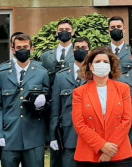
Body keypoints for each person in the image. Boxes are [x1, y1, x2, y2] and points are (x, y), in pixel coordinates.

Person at [0, 33, 51, 167]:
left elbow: (48, 102)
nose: (22, 50)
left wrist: (42, 105)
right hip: (9, 134)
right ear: (12, 50)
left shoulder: (41, 72)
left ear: (32, 49)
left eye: (25, 47)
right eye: (19, 47)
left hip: (34, 135)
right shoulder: (1, 73)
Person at [72, 47, 132, 166]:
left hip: (118, 153)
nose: (102, 64)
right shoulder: (79, 92)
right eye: (97, 61)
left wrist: (110, 150)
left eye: (105, 62)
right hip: (89, 154)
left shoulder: (123, 89)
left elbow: (126, 120)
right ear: (90, 65)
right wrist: (101, 145)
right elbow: (79, 123)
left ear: (111, 65)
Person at [50, 37, 91, 167]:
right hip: (68, 134)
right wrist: (52, 135)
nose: (80, 51)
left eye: (84, 48)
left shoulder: (95, 76)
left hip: (91, 132)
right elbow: (55, 109)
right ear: (72, 52)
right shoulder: (61, 76)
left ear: (89, 52)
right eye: (77, 48)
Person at [41, 19, 76, 85]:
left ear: (72, 32)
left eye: (67, 29)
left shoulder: (78, 54)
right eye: (61, 30)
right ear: (57, 33)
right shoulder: (45, 56)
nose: (64, 31)